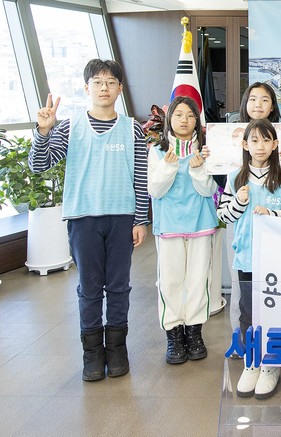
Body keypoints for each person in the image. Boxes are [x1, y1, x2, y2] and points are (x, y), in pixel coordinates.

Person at [29, 59, 149, 381]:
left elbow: (140, 178)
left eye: (110, 82)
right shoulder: (70, 127)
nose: (104, 88)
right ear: (87, 88)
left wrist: (140, 220)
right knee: (90, 288)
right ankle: (92, 354)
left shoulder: (132, 129)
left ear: (120, 89)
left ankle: (117, 349)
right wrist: (43, 131)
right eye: (97, 82)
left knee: (119, 286)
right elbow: (39, 165)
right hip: (83, 220)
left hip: (122, 218)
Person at [217, 119, 281, 399]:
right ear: (245, 145)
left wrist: (273, 214)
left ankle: (271, 366)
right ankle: (252, 362)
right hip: (247, 258)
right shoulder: (235, 178)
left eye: (267, 140)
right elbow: (223, 216)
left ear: (275, 144)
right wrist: (239, 202)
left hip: (276, 260)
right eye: (254, 140)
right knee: (248, 313)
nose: (260, 146)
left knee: (273, 312)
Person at [148, 96, 217, 365]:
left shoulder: (207, 151)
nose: (184, 120)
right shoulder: (157, 151)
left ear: (197, 120)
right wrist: (168, 166)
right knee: (170, 281)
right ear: (169, 119)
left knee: (199, 280)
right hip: (169, 226)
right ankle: (174, 335)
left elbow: (210, 191)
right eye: (178, 114)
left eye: (190, 115)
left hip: (201, 223)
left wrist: (199, 170)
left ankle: (195, 333)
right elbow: (155, 191)